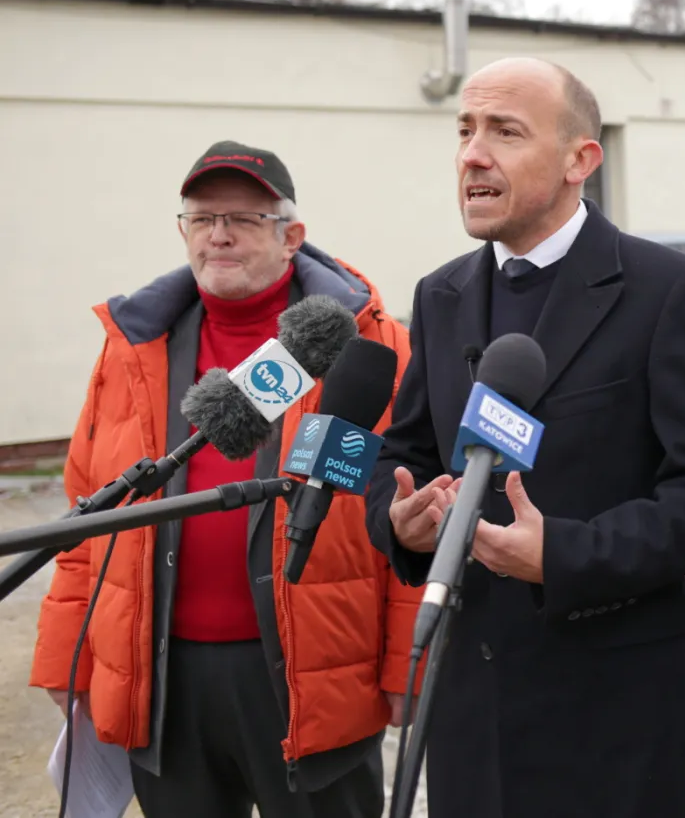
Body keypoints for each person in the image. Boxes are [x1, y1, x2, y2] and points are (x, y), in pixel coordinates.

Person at [364, 57, 685, 818]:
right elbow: (402, 454)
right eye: (465, 131)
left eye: (505, 132)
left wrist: (564, 555)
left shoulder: (665, 290)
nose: (473, 154)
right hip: (470, 714)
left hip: (610, 718)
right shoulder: (440, 296)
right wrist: (400, 518)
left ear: (582, 159)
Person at [30, 141, 421, 818]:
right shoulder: (133, 346)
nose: (219, 234)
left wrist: (403, 667)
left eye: (241, 218)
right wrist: (66, 655)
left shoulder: (367, 344)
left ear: (291, 236)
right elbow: (87, 511)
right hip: (166, 681)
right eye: (202, 218)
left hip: (311, 677)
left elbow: (399, 512)